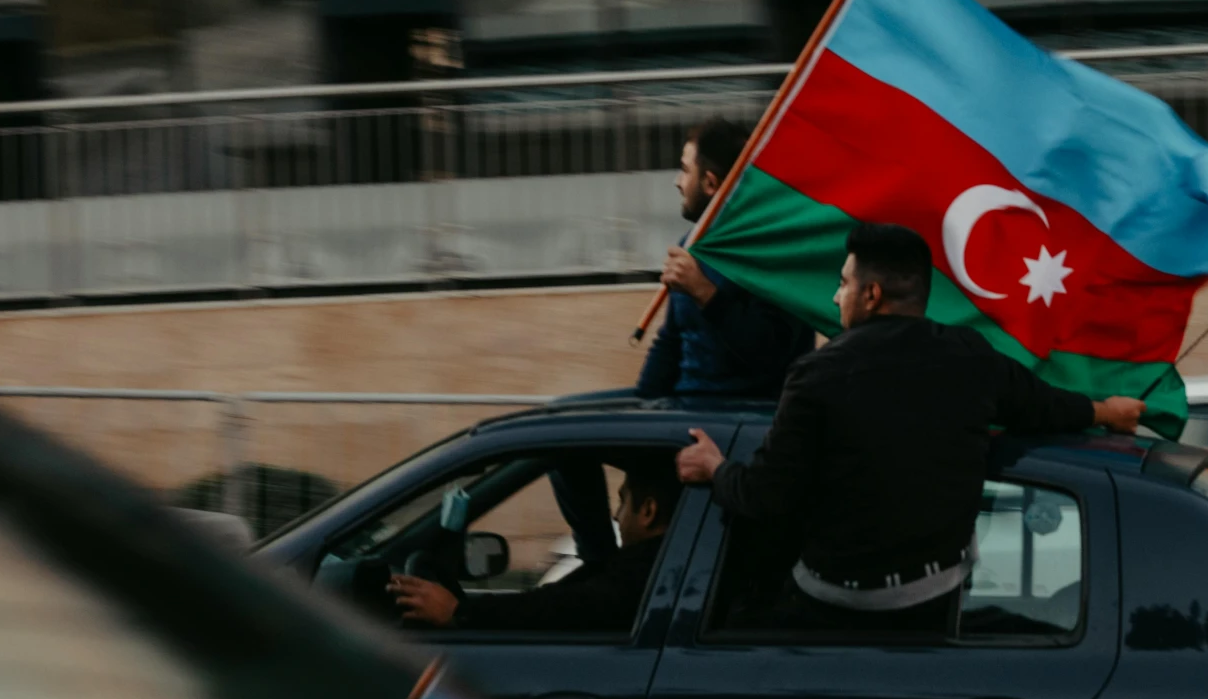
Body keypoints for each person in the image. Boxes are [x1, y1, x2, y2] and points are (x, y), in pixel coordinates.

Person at [675, 222, 1144, 626]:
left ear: (871, 294)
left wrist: (714, 468)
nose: (836, 296)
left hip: (834, 609)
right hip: (939, 599)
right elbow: (1046, 407)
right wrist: (1109, 413)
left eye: (842, 283)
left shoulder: (815, 375)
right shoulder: (970, 357)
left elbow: (766, 496)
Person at [638, 118, 814, 401]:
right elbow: (670, 341)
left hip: (739, 415)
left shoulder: (773, 251)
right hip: (684, 404)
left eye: (685, 170)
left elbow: (771, 355)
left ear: (710, 182)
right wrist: (640, 411)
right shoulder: (691, 244)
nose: (678, 182)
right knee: (569, 412)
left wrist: (704, 292)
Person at [389, 464, 679, 633]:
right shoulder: (661, 566)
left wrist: (459, 611)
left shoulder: (647, 573)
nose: (616, 516)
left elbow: (568, 606)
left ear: (649, 511)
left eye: (623, 502)